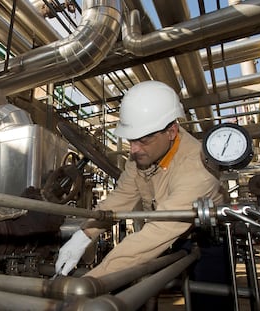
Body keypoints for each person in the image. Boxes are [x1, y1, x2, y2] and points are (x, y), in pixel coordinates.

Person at [55, 80, 223, 279]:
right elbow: (121, 199)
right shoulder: (141, 156)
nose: (134, 149)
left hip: (206, 239)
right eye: (131, 139)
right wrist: (83, 235)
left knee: (208, 294)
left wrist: (93, 281)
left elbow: (158, 232)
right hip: (167, 236)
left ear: (171, 132)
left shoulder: (198, 168)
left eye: (143, 140)